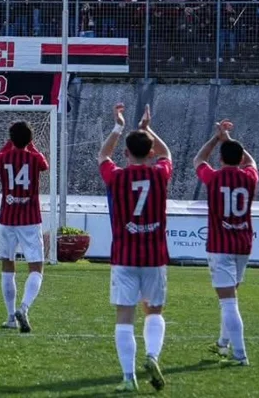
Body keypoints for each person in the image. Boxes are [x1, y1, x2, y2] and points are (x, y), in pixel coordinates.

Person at [98, 104, 171, 392]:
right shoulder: (160, 174)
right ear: (150, 153)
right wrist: (147, 129)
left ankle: (129, 378)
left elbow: (103, 156)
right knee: (154, 312)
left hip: (124, 257)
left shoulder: (116, 177)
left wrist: (118, 126)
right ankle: (152, 355)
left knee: (124, 317)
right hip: (154, 257)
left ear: (126, 153)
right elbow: (167, 154)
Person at [194, 119, 257, 367]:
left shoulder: (214, 177)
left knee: (228, 301)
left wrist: (216, 138)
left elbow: (199, 159)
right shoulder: (249, 177)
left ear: (220, 159)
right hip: (243, 244)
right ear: (240, 158)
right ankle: (223, 343)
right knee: (231, 297)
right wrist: (228, 138)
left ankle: (240, 355)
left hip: (220, 246)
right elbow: (251, 162)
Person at [0, 120, 49, 333]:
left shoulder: (2, 158)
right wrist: (30, 144)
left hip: (7, 218)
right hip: (30, 219)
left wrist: (11, 142)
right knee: (36, 267)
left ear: (10, 139)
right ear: (30, 139)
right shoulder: (35, 158)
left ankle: (10, 316)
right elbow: (44, 165)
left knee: (8, 265)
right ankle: (23, 308)